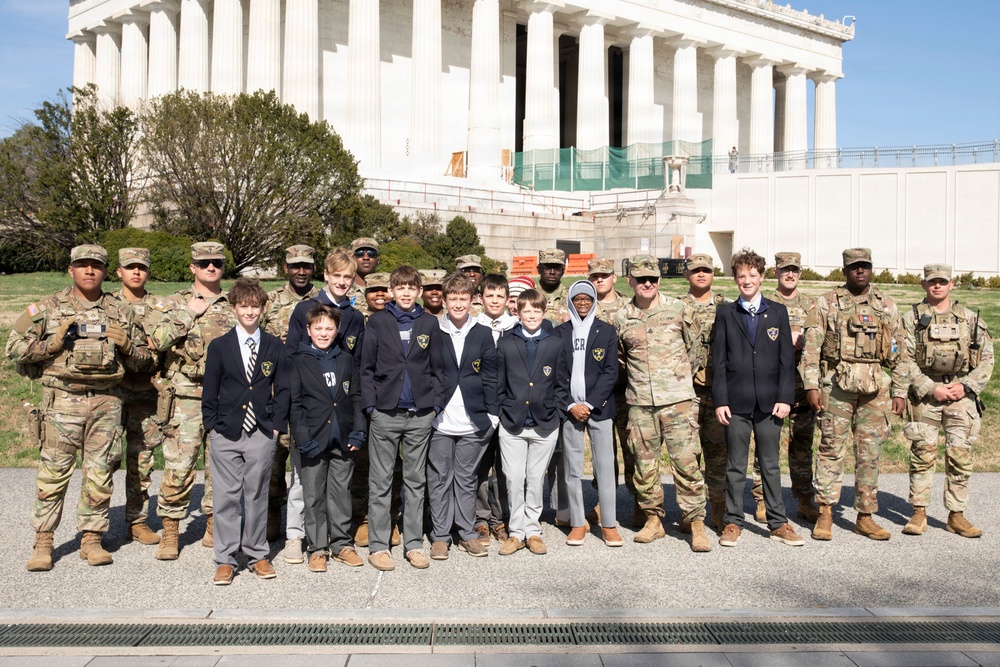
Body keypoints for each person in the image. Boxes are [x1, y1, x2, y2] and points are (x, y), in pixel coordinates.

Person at [8, 244, 152, 571]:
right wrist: (52, 344)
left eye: (96, 265)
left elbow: (146, 361)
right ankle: (44, 542)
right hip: (62, 402)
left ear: (104, 271)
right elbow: (13, 349)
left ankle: (92, 539)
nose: (89, 271)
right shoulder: (46, 309)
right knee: (53, 474)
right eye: (82, 265)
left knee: (100, 474)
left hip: (107, 403)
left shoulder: (121, 311)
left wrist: (129, 346)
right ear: (70, 270)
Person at [801, 248, 906, 541]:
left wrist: (899, 390)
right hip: (836, 386)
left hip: (875, 389)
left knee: (870, 452)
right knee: (831, 449)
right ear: (845, 270)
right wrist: (811, 385)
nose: (860, 271)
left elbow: (899, 351)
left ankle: (865, 515)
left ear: (871, 269)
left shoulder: (886, 305)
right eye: (854, 267)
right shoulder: (827, 302)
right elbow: (812, 347)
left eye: (865, 266)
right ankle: (825, 512)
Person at [146, 242, 236, 560]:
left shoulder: (234, 303)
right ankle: (171, 531)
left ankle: (213, 525)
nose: (211, 267)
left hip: (226, 398)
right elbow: (154, 340)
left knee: (221, 467)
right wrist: (188, 313)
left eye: (216, 262)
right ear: (192, 267)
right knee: (179, 467)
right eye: (204, 262)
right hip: (185, 397)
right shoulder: (173, 303)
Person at [615, 255, 711, 552]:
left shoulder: (679, 309)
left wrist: (677, 379)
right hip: (641, 403)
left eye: (652, 279)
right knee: (644, 467)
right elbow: (621, 359)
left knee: (687, 464)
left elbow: (696, 351)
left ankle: (695, 522)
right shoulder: (621, 317)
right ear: (630, 281)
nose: (647, 284)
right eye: (641, 279)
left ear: (659, 281)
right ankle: (653, 519)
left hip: (678, 401)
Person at [712, 248, 803, 548]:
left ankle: (778, 522)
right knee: (735, 465)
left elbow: (786, 361)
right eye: (741, 276)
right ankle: (733, 522)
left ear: (763, 277)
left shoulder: (777, 312)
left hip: (770, 404)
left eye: (752, 275)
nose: (747, 281)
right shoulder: (726, 313)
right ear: (735, 279)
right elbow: (719, 362)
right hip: (735, 404)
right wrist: (721, 400)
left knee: (770, 464)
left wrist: (785, 398)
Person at [202, 278, 288, 585]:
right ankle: (225, 558)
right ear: (234, 308)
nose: (249, 312)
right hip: (226, 431)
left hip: (262, 431)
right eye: (244, 306)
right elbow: (209, 390)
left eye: (255, 306)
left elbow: (283, 389)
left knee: (256, 494)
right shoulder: (220, 346)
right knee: (226, 497)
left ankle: (256, 554)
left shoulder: (274, 345)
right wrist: (211, 426)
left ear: (262, 308)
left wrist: (276, 427)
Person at [900, 264, 994, 538]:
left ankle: (957, 514)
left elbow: (987, 358)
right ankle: (918, 513)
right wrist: (929, 388)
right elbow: (902, 359)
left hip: (960, 396)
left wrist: (965, 386)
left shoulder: (969, 318)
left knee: (960, 455)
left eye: (942, 281)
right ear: (923, 285)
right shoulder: (912, 318)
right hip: (926, 397)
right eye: (932, 282)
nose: (937, 286)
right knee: (922, 455)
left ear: (952, 284)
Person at [360, 265, 442, 571]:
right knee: (381, 481)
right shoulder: (378, 322)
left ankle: (413, 544)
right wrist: (371, 408)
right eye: (400, 287)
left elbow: (438, 368)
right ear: (391, 291)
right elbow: (366, 368)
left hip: (419, 414)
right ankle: (379, 545)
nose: (406, 293)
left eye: (411, 287)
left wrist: (434, 405)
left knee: (415, 480)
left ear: (419, 292)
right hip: (385, 413)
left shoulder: (429, 323)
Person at [288, 305, 367, 571]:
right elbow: (295, 404)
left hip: (343, 439)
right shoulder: (298, 361)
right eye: (318, 328)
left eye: (329, 329)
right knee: (313, 496)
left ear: (337, 331)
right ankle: (318, 547)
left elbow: (355, 397)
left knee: (341, 494)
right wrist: (302, 438)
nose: (324, 333)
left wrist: (358, 430)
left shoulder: (345, 359)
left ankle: (342, 544)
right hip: (313, 440)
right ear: (308, 330)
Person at [427, 273, 499, 560]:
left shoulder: (482, 333)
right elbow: (427, 371)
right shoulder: (435, 330)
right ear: (444, 300)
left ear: (473, 300)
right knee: (440, 478)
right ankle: (441, 536)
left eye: (463, 298)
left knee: (467, 479)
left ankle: (467, 532)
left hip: (474, 421)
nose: (458, 304)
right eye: (453, 298)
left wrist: (492, 416)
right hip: (441, 421)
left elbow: (492, 376)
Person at [496, 289, 569, 556]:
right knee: (515, 478)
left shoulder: (555, 343)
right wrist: (502, 410)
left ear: (543, 312)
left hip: (545, 423)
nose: (531, 315)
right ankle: (516, 532)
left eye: (536, 311)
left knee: (536, 479)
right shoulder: (505, 342)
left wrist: (558, 412)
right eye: (526, 311)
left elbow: (562, 384)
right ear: (518, 311)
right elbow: (499, 382)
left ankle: (533, 530)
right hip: (512, 422)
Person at [260, 245, 320, 558]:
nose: (301, 271)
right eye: (295, 266)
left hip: (309, 399)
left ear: (313, 268)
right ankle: (272, 514)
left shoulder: (321, 301)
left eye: (306, 266)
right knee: (272, 463)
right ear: (286, 268)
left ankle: (306, 527)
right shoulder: (270, 301)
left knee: (304, 468)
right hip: (274, 394)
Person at [750, 252, 819, 524]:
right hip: (771, 384)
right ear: (776, 272)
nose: (790, 275)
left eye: (794, 270)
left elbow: (819, 338)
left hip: (801, 384)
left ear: (800, 273)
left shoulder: (812, 305)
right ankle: (762, 498)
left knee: (802, 444)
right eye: (784, 270)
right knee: (768, 443)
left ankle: (804, 499)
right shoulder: (764, 302)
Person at [555, 280, 621, 547]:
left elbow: (610, 372)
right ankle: (577, 523)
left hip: (600, 409)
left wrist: (591, 403)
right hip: (571, 410)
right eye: (578, 299)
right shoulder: (560, 332)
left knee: (605, 468)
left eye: (587, 299)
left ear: (594, 302)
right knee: (572, 468)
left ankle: (609, 524)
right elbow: (557, 375)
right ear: (570, 301)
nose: (582, 304)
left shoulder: (606, 332)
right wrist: (572, 404)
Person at [114, 247, 165, 546]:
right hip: (112, 391)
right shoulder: (106, 304)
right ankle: (96, 526)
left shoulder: (161, 307)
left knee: (142, 459)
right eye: (130, 267)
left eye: (141, 268)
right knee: (103, 460)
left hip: (146, 392)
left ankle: (137, 520)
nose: (136, 272)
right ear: (118, 271)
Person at [680, 253, 728, 532]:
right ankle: (692, 513)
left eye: (706, 270)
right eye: (695, 270)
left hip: (718, 392)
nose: (701, 274)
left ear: (713, 274)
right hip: (687, 392)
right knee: (688, 455)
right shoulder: (676, 308)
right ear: (686, 274)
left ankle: (718, 510)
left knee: (718, 454)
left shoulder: (726, 307)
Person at [587, 257, 636, 527]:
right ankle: (603, 501)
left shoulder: (628, 306)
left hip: (626, 388)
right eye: (594, 276)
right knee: (603, 453)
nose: (599, 280)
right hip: (598, 392)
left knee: (631, 447)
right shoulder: (584, 306)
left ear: (614, 277)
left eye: (604, 275)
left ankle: (639, 500)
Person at [472, 273, 519, 545]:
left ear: (507, 299)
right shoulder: (473, 325)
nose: (494, 300)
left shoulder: (514, 326)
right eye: (489, 295)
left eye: (500, 296)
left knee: (504, 467)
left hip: (508, 404)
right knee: (480, 465)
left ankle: (499, 519)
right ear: (480, 298)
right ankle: (480, 518)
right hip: (480, 403)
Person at [347, 238, 380, 312]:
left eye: (371, 253)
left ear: (378, 261)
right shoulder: (342, 289)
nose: (366, 257)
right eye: (359, 253)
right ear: (352, 259)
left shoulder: (387, 290)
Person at [537, 249, 569, 324]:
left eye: (557, 268)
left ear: (563, 271)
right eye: (547, 267)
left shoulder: (572, 296)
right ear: (539, 269)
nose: (552, 272)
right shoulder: (529, 296)